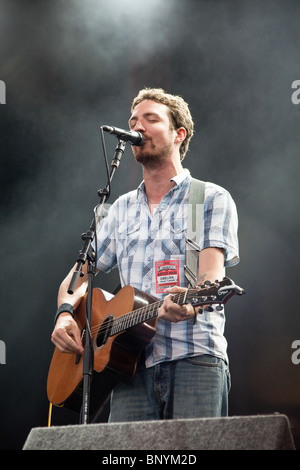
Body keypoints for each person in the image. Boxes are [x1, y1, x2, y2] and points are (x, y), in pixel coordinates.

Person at [51, 88, 239, 421]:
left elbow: (211, 277)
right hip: (129, 368)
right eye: (134, 120)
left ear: (179, 134)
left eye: (151, 119)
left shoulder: (208, 198)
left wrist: (190, 300)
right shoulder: (119, 209)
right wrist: (66, 314)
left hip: (194, 358)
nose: (138, 126)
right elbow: (79, 273)